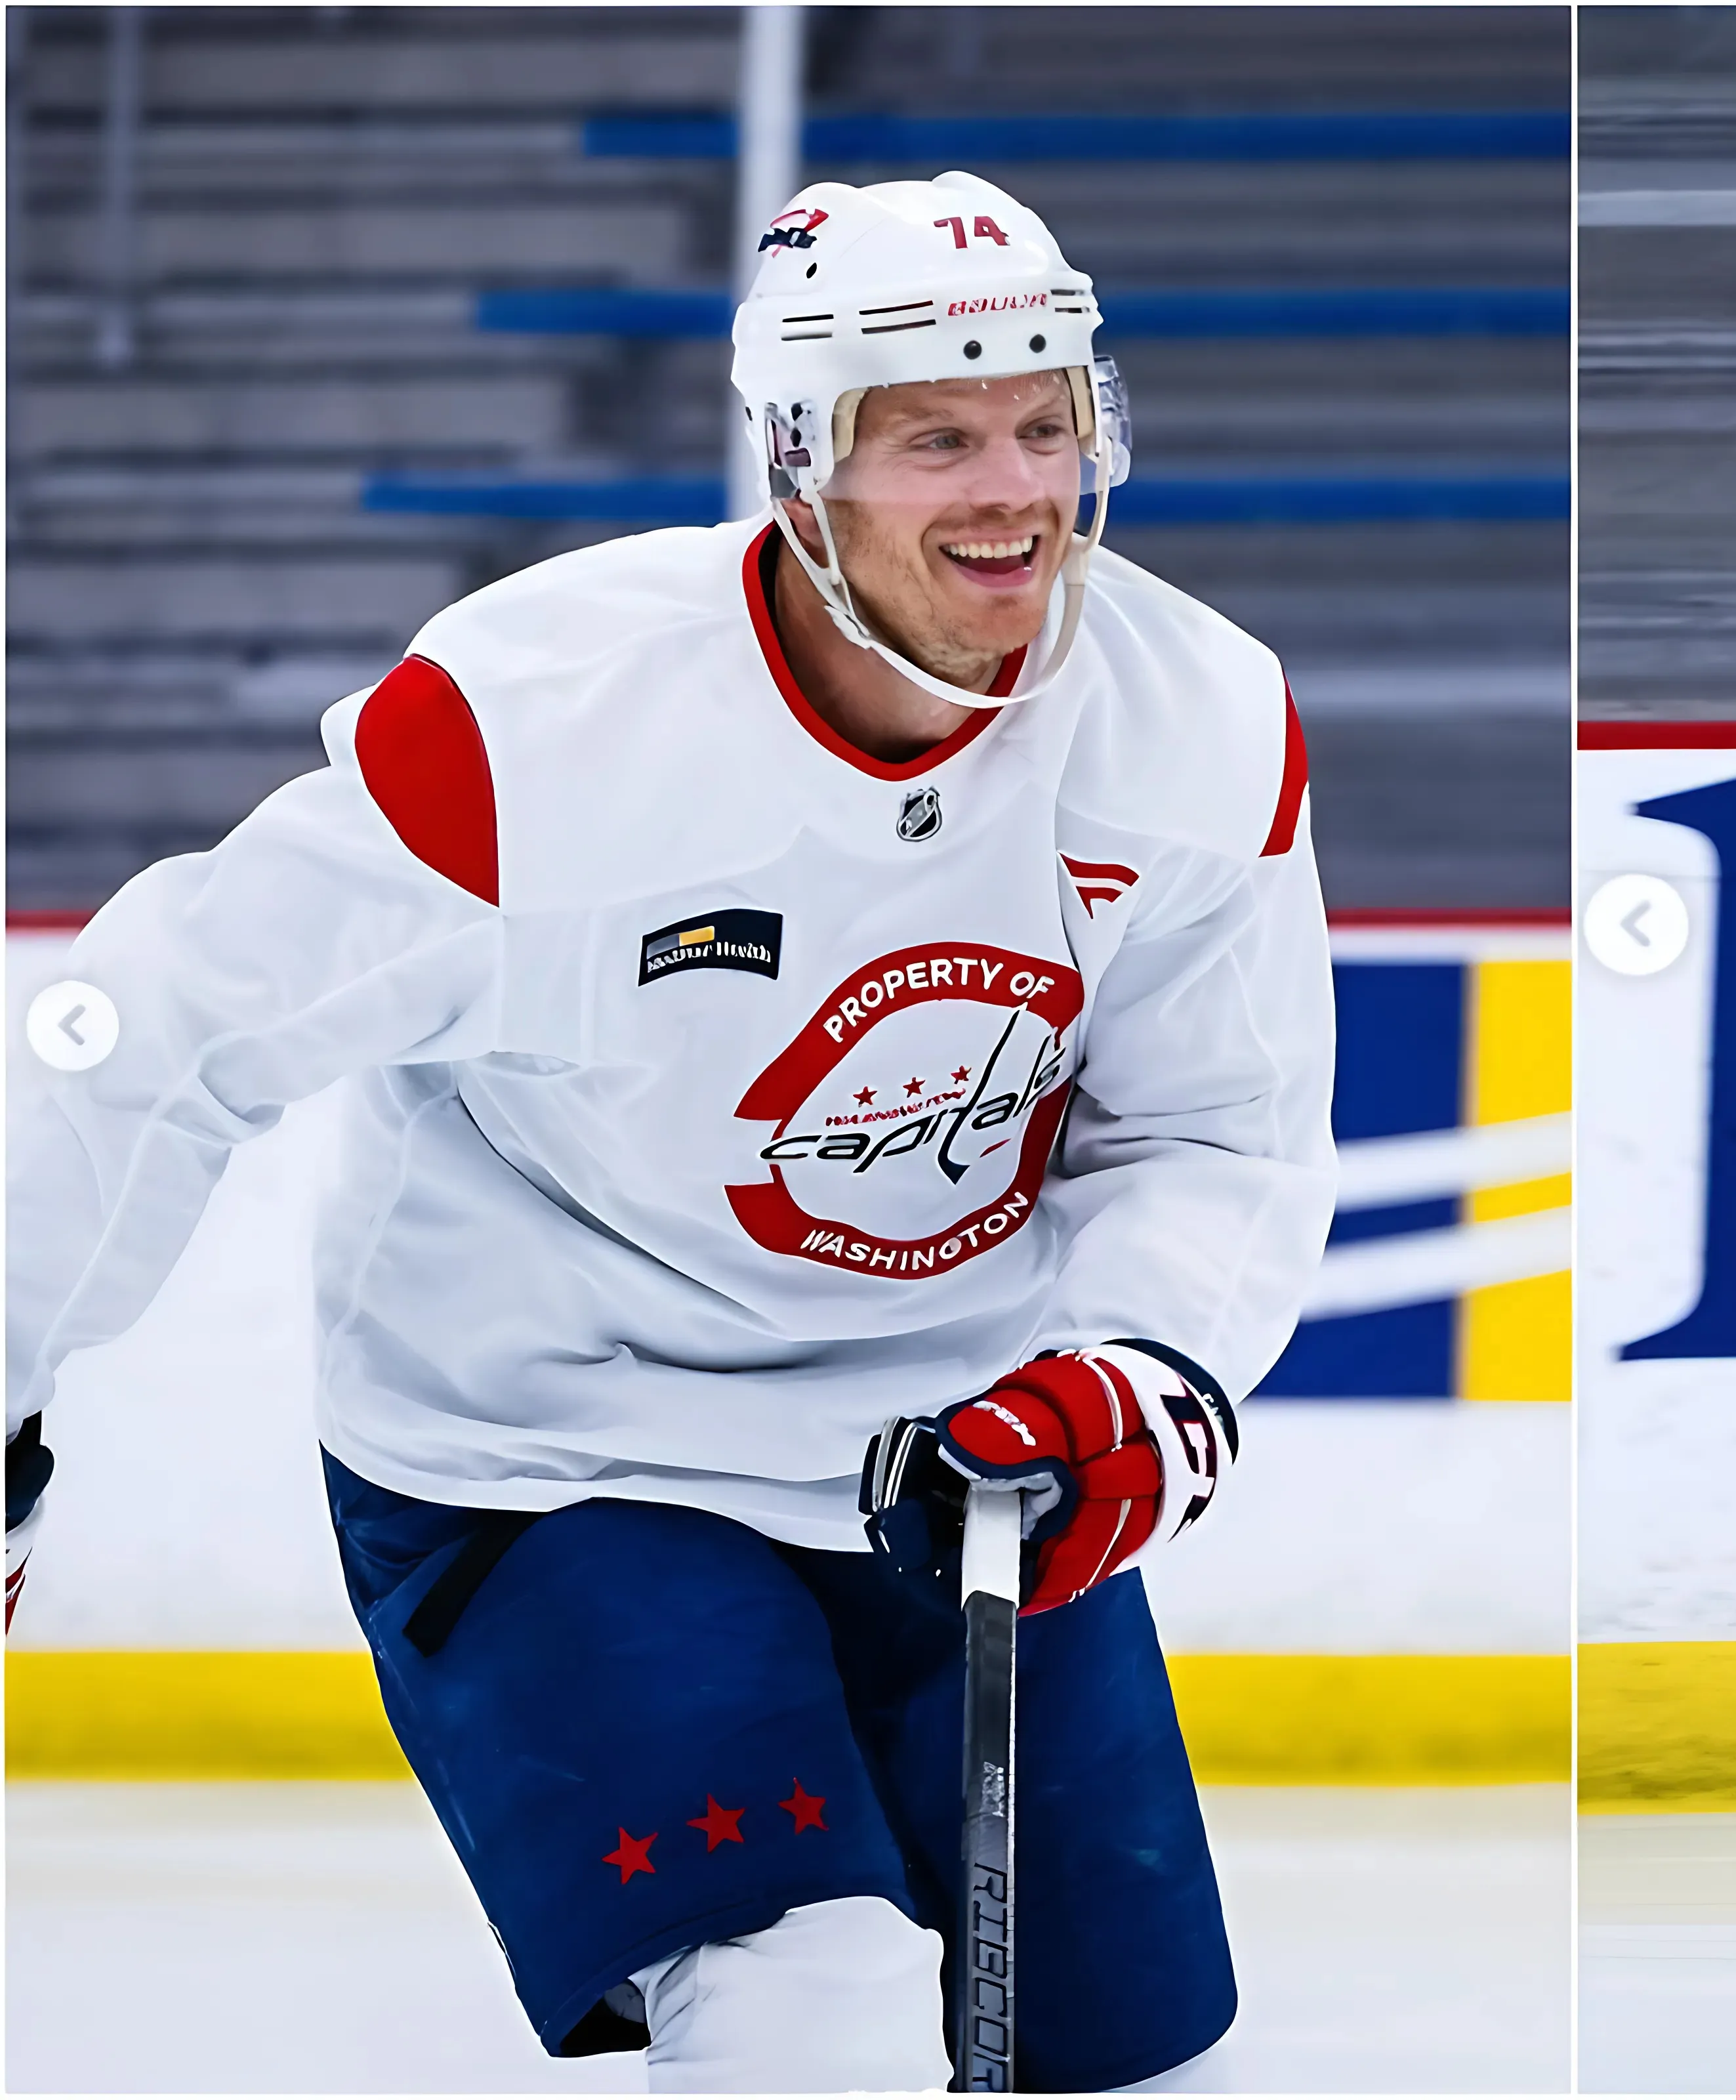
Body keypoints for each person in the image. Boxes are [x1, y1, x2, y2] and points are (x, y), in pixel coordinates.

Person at [6, 171, 1334, 2091]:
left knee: (1140, 2069)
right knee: (809, 2005)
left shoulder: (1200, 722)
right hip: (556, 1446)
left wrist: (1137, 1372)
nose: (1014, 490)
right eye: (937, 436)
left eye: (1045, 420)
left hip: (956, 1456)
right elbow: (156, 1033)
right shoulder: (536, 725)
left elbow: (1220, 1129)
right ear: (803, 463)